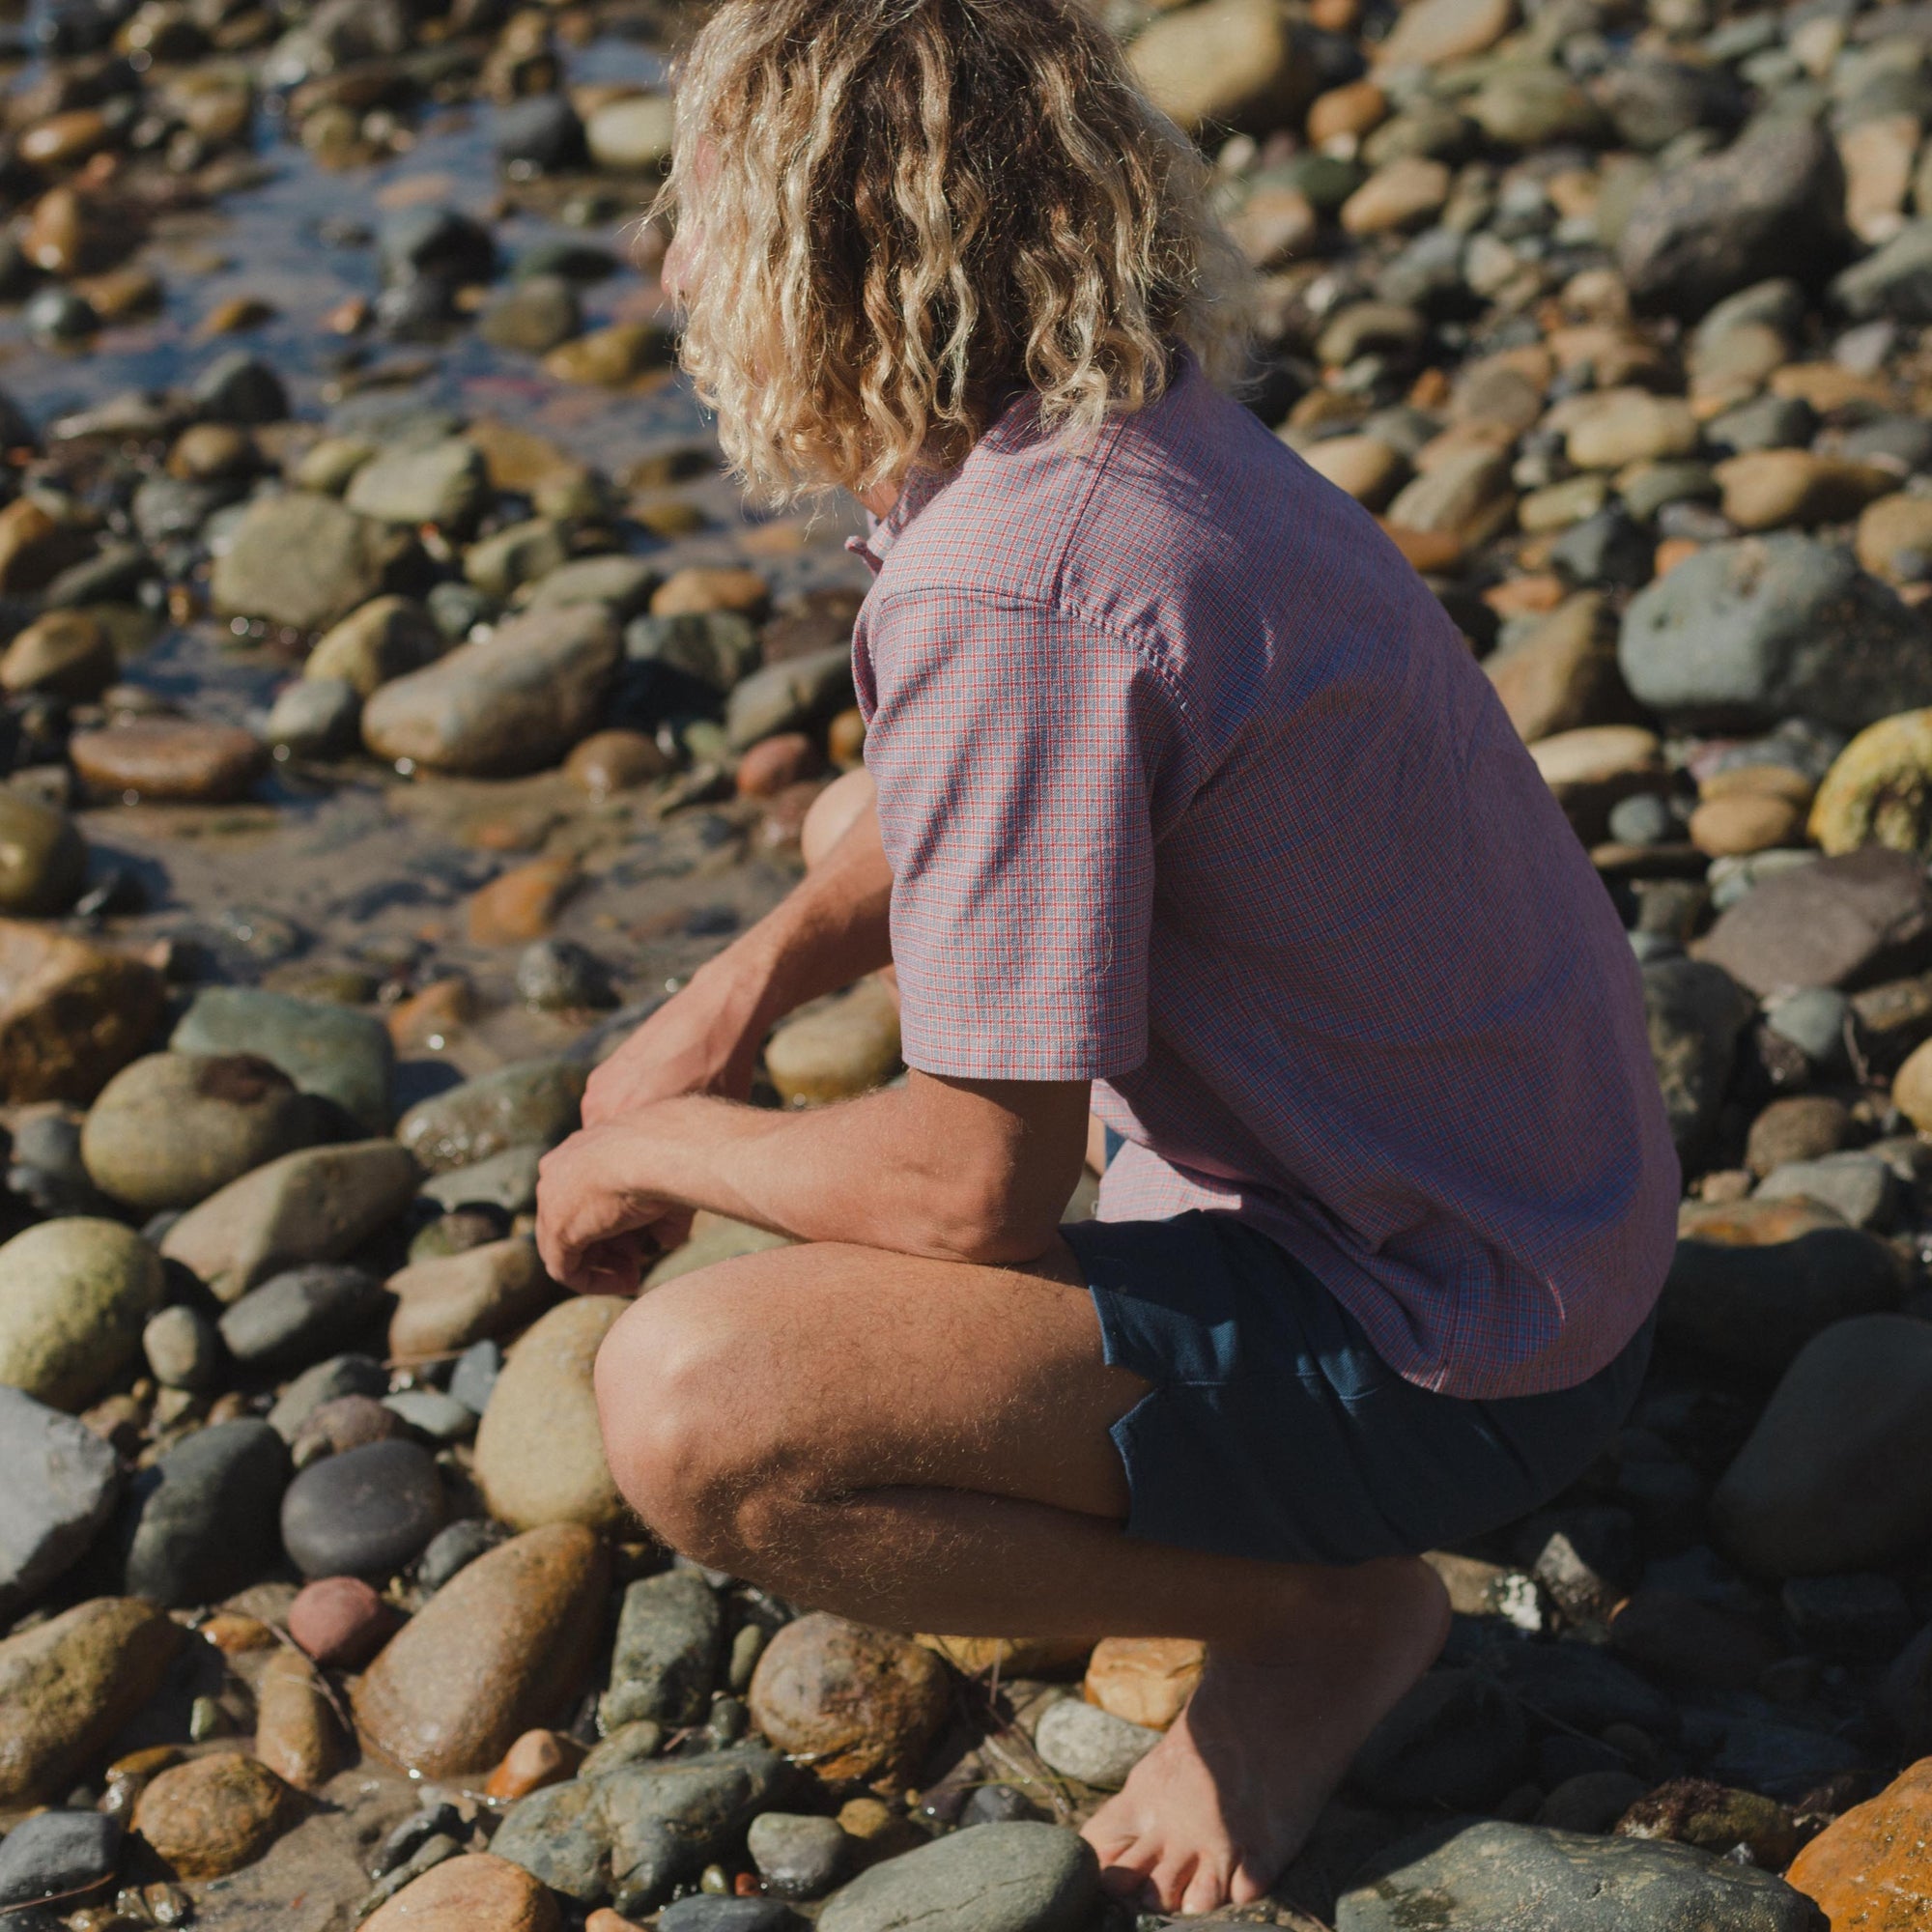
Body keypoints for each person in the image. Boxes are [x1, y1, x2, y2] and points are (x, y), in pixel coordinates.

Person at [533, 0, 1680, 1913]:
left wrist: (651, 1147)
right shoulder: (1101, 430)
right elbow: (927, 804)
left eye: (699, 199)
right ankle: (1267, 1505)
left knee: (696, 1407)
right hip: (1531, 1213)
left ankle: (1318, 1611)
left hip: (1454, 1345)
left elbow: (968, 1188)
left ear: (814, 240)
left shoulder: (1010, 580)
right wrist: (737, 991)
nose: (666, 249)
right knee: (847, 837)